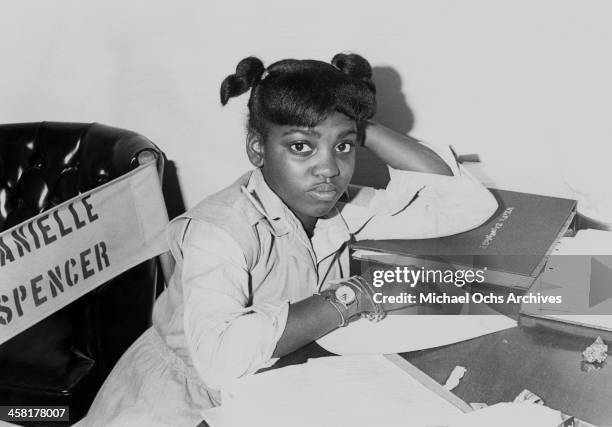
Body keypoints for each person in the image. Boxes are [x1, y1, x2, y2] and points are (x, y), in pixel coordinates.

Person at [83, 53, 497, 426]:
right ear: (257, 149)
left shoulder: (341, 207)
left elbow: (465, 205)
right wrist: (355, 296)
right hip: (176, 404)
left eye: (344, 147)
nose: (328, 169)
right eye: (302, 147)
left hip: (268, 388)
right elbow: (219, 361)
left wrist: (354, 122)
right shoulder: (220, 229)